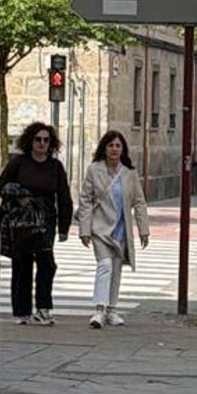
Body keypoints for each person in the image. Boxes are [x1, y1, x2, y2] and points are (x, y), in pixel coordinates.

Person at [0, 120, 74, 325]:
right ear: (30, 141)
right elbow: (2, 185)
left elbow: (64, 197)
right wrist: (19, 196)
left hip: (46, 220)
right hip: (22, 220)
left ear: (51, 143)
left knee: (46, 264)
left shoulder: (55, 167)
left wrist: (64, 227)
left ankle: (43, 308)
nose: (41, 143)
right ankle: (22, 311)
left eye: (46, 140)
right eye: (38, 139)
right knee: (21, 264)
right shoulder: (19, 163)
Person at [77, 128, 151, 327]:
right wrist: (84, 230)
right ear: (104, 148)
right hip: (100, 228)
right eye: (111, 145)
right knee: (105, 265)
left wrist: (144, 229)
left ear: (123, 149)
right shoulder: (94, 170)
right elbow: (85, 200)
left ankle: (112, 310)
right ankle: (99, 310)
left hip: (121, 229)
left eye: (118, 146)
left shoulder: (129, 174)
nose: (114, 149)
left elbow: (139, 202)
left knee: (117, 269)